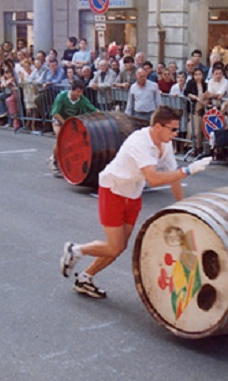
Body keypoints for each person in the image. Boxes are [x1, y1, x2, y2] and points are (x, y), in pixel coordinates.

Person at [59, 106, 213, 298]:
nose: (176, 133)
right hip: (113, 190)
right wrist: (188, 170)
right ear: (158, 126)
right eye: (173, 129)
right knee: (114, 246)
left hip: (132, 193)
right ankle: (75, 250)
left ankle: (85, 277)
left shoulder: (164, 145)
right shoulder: (139, 142)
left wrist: (185, 206)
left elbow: (173, 177)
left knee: (120, 246)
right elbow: (154, 179)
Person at [48, 79, 98, 177]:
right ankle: (53, 161)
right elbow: (55, 113)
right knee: (60, 140)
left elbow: (92, 109)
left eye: (81, 92)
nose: (79, 94)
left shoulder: (82, 99)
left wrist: (102, 114)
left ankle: (67, 162)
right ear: (72, 90)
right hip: (59, 121)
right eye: (78, 92)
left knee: (74, 143)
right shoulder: (62, 97)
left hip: (72, 124)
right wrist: (65, 124)